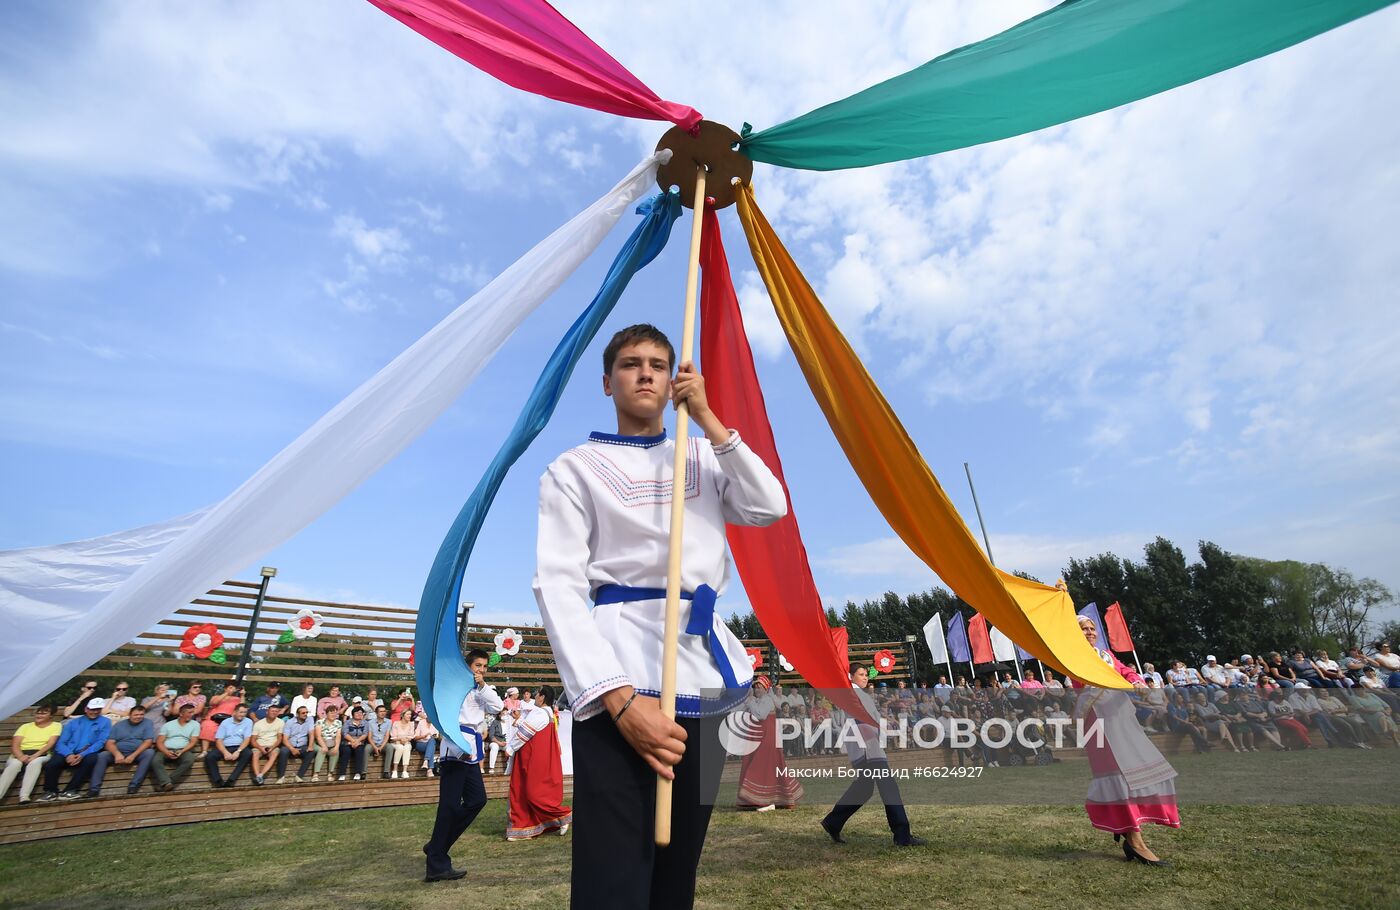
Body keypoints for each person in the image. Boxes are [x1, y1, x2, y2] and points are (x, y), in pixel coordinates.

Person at [530, 324, 788, 910]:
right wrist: (619, 701)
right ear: (607, 381)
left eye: (657, 364)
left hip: (702, 672)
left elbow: (769, 505)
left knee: (678, 874)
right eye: (629, 363)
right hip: (621, 673)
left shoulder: (705, 453)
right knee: (614, 876)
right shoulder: (573, 469)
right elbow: (559, 586)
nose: (645, 373)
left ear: (673, 379)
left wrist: (710, 421)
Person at [1071, 616, 1177, 866]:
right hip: (1098, 720)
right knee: (1119, 775)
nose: (1089, 632)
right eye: (1083, 629)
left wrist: (1137, 681)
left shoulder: (1105, 654)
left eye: (1091, 628)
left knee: (1135, 772)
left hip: (1121, 716)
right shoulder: (1072, 655)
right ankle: (1135, 840)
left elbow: (1125, 670)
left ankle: (1130, 831)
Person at [821, 664, 924, 846]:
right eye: (861, 674)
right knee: (888, 787)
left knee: (864, 788)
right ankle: (902, 836)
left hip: (864, 745)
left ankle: (833, 822)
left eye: (866, 674)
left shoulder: (856, 693)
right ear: (850, 676)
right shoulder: (852, 693)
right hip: (868, 747)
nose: (865, 677)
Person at [424, 648, 504, 880]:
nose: (481, 670)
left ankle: (437, 845)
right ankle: (437, 865)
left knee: (478, 799)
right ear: (467, 665)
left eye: (485, 667)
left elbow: (498, 707)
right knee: (448, 806)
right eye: (477, 665)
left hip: (473, 749)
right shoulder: (452, 687)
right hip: (456, 747)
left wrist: (482, 684)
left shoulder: (481, 690)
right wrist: (459, 746)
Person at [504, 684, 572, 841]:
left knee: (533, 794)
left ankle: (563, 815)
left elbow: (526, 732)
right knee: (522, 792)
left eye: (537, 694)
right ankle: (522, 828)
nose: (535, 696)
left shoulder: (541, 712)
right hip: (532, 756)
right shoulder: (547, 713)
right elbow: (530, 728)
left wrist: (510, 748)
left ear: (542, 697)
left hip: (532, 758)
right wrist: (519, 719)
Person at [733, 676, 803, 810]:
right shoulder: (756, 700)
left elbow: (761, 715)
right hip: (756, 737)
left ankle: (768, 801)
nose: (757, 689)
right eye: (756, 687)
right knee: (759, 765)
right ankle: (755, 800)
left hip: (767, 738)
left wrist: (750, 702)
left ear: (766, 688)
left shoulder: (768, 700)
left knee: (763, 767)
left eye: (760, 687)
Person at [41, 697, 112, 801]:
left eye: (98, 709)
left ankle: (71, 790)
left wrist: (82, 754)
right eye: (92, 709)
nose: (95, 712)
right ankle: (50, 791)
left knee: (91, 760)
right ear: (86, 709)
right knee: (52, 764)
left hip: (87, 751)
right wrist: (68, 754)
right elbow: (61, 742)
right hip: (69, 750)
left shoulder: (105, 722)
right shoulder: (74, 722)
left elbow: (101, 741)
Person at [92, 702, 156, 795]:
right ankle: (94, 788)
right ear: (129, 715)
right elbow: (109, 743)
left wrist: (133, 756)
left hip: (137, 753)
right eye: (136, 715)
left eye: (141, 714)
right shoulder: (119, 725)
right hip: (119, 752)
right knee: (102, 755)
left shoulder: (147, 723)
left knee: (150, 752)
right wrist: (117, 754)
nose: (139, 717)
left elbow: (148, 742)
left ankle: (134, 785)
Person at [1, 705, 60, 804]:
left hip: (41, 754)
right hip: (20, 753)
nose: (39, 715)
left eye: (44, 713)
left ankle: (24, 796)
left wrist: (36, 755)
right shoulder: (25, 726)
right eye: (38, 713)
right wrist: (20, 756)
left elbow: (51, 743)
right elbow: (15, 745)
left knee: (35, 763)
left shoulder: (56, 726)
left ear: (51, 716)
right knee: (14, 765)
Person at [152, 701, 202, 791]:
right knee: (156, 760)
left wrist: (182, 751)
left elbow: (193, 741)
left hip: (183, 749)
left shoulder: (195, 724)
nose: (192, 715)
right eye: (189, 712)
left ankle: (167, 782)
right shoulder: (168, 725)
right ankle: (167, 783)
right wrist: (166, 752)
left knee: (189, 759)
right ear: (181, 713)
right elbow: (159, 742)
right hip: (166, 748)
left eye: (193, 712)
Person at [204, 703, 254, 787]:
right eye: (241, 712)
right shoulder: (225, 722)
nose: (243, 715)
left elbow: (247, 739)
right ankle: (217, 780)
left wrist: (238, 751)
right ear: (234, 712)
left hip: (239, 746)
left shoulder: (248, 722)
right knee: (210, 756)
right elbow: (219, 740)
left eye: (245, 712)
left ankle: (232, 779)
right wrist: (225, 752)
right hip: (226, 746)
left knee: (248, 753)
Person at [277, 704, 317, 784]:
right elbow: (285, 739)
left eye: (306, 712)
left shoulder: (310, 720)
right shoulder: (290, 722)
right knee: (283, 751)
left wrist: (310, 746)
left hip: (302, 746)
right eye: (303, 713)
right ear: (297, 714)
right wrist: (292, 748)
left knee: (311, 752)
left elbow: (311, 734)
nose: (305, 714)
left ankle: (299, 776)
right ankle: (281, 777)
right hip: (290, 745)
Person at [199, 683, 241, 757]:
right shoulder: (216, 697)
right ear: (225, 688)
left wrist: (242, 695)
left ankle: (223, 751)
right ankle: (204, 751)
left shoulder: (236, 699)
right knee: (207, 725)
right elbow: (214, 703)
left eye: (233, 688)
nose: (232, 689)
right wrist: (227, 693)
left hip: (228, 720)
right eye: (230, 687)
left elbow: (242, 707)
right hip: (213, 718)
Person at [249, 703, 285, 785]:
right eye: (272, 711)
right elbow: (253, 740)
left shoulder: (281, 722)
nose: (274, 713)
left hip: (272, 745)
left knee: (275, 753)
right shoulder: (258, 723)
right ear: (267, 712)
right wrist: (260, 748)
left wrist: (272, 747)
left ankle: (261, 775)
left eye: (276, 711)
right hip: (259, 745)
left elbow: (279, 738)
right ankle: (257, 775)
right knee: (255, 754)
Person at [312, 705, 343, 781]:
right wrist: (323, 746)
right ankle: (315, 774)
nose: (334, 715)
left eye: (335, 713)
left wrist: (336, 747)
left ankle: (330, 773)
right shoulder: (320, 722)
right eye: (331, 713)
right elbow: (318, 736)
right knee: (321, 750)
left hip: (331, 743)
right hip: (318, 743)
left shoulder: (338, 722)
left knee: (335, 751)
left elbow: (338, 736)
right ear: (327, 713)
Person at [339, 706, 370, 781]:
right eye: (357, 712)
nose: (359, 714)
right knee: (346, 751)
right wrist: (353, 741)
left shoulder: (365, 723)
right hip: (347, 742)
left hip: (360, 742)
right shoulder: (347, 722)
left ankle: (358, 773)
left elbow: (365, 734)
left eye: (361, 713)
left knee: (359, 751)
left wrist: (357, 741)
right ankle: (342, 774)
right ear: (352, 714)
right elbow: (345, 733)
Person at [367, 704, 393, 778]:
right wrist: (375, 747)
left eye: (384, 711)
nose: (383, 713)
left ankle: (386, 771)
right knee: (366, 748)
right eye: (381, 711)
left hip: (383, 743)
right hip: (373, 743)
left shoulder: (389, 722)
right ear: (376, 713)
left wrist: (381, 747)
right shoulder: (370, 722)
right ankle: (363, 772)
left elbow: (387, 736)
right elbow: (369, 737)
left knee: (390, 747)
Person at [390, 709, 417, 778]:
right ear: (403, 715)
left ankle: (404, 771)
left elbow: (411, 736)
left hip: (407, 742)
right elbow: (393, 736)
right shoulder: (396, 723)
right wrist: (400, 739)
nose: (409, 716)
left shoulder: (411, 724)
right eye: (408, 714)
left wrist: (405, 740)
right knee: (400, 747)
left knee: (407, 747)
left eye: (410, 714)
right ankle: (395, 770)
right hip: (396, 742)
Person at [412, 710, 439, 776]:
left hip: (430, 744)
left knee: (432, 741)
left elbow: (437, 735)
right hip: (420, 744)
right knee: (431, 747)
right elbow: (415, 738)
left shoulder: (434, 724)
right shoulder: (421, 723)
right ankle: (430, 769)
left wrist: (435, 736)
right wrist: (423, 736)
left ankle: (426, 762)